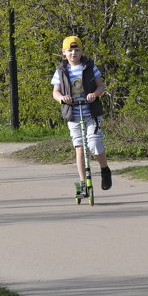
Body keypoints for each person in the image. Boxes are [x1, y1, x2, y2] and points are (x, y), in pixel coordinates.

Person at [51, 36, 113, 193]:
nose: (73, 53)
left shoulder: (90, 67)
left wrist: (94, 94)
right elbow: (56, 92)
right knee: (79, 147)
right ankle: (83, 181)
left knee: (94, 144)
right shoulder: (61, 71)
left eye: (76, 50)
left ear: (81, 51)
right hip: (73, 114)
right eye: (70, 50)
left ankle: (104, 169)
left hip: (90, 113)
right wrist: (62, 99)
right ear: (63, 53)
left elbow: (101, 87)